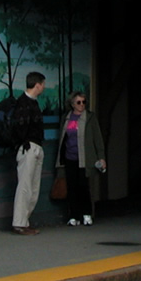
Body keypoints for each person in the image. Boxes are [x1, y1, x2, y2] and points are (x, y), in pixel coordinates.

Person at [58, 91, 106, 226]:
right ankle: (73, 216)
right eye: (78, 102)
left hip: (85, 158)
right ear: (73, 104)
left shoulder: (90, 118)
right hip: (69, 157)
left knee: (84, 186)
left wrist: (101, 157)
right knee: (72, 187)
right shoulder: (66, 118)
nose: (81, 105)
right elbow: (63, 138)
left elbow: (97, 138)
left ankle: (87, 214)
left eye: (84, 102)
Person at [9, 71, 46, 235]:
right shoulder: (23, 103)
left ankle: (24, 220)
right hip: (28, 147)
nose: (44, 87)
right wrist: (23, 143)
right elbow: (18, 128)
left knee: (33, 188)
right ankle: (19, 222)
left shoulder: (32, 102)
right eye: (42, 84)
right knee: (25, 187)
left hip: (34, 145)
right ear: (37, 85)